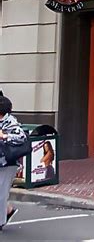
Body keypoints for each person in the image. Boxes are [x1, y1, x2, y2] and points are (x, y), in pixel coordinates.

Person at [0, 94, 27, 230]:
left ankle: (1, 221)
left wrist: (5, 136)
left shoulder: (10, 122)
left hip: (6, 163)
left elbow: (21, 137)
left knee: (1, 193)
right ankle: (8, 211)